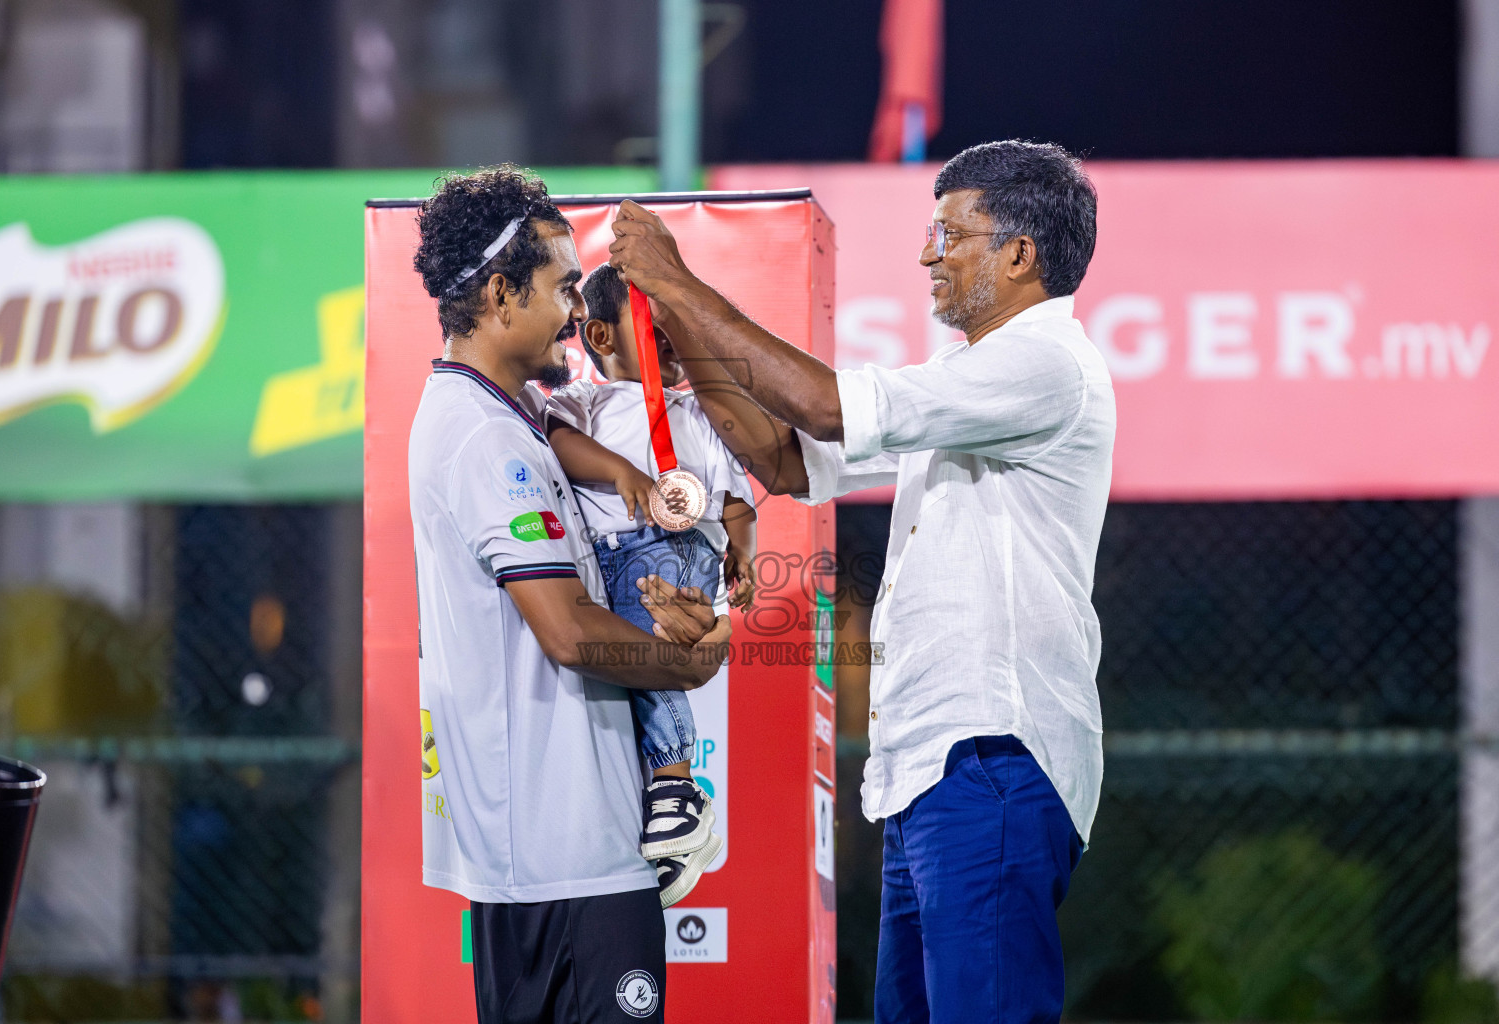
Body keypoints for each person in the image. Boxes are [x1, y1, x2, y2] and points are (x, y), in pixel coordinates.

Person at [608, 140, 1114, 1024]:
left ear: (1020, 255)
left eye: (949, 232)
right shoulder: (971, 384)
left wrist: (679, 283)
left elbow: (825, 407)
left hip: (991, 757)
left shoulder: (1045, 365)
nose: (927, 253)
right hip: (929, 772)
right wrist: (674, 325)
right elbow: (787, 460)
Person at [408, 167, 731, 1024]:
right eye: (559, 289)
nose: (573, 314)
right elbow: (569, 633)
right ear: (502, 296)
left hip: (565, 854)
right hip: (564, 862)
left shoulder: (512, 420)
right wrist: (686, 665)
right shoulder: (485, 438)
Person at [543, 262, 757, 907]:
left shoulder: (698, 413)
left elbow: (736, 500)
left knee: (650, 643)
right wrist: (622, 473)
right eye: (656, 330)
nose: (672, 344)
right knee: (619, 664)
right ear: (603, 337)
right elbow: (558, 442)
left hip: (676, 552)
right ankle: (660, 803)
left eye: (677, 332)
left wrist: (741, 554)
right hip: (604, 559)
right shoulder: (583, 400)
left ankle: (674, 782)